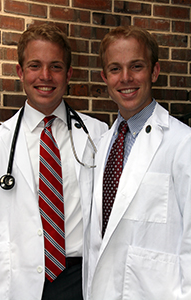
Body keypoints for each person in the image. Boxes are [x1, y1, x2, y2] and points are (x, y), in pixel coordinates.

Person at [0, 23, 108, 300]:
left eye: (55, 66)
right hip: (16, 279)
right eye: (34, 65)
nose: (45, 76)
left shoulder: (98, 135)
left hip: (79, 280)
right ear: (20, 72)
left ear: (68, 74)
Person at [86, 26, 191, 300]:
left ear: (154, 72)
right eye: (115, 69)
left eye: (136, 66)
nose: (126, 78)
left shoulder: (183, 144)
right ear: (104, 77)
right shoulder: (101, 145)